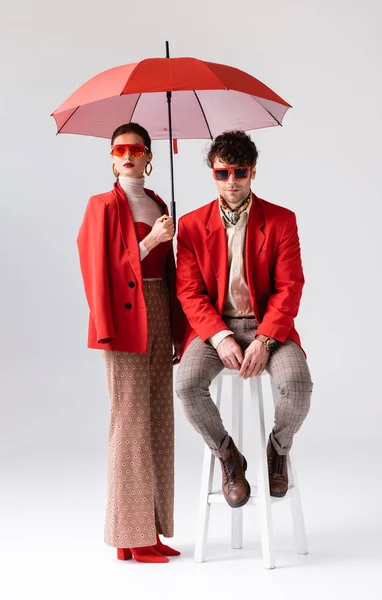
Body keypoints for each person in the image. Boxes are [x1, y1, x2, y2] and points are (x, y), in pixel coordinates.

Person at [175, 130, 313, 507]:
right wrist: (219, 336)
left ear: (253, 172)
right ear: (212, 173)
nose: (231, 181)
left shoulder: (282, 221)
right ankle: (228, 457)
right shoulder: (189, 226)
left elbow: (290, 286)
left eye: (240, 172)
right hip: (213, 329)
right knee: (186, 386)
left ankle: (277, 450)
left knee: (298, 384)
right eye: (222, 173)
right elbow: (189, 292)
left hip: (269, 325)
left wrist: (266, 339)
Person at [77, 122, 186, 563]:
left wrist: (180, 328)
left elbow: (173, 270)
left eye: (136, 149)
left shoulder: (158, 202)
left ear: (148, 156)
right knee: (130, 421)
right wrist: (152, 239)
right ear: (110, 157)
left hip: (159, 306)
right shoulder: (101, 205)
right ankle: (129, 533)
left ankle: (150, 531)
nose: (127, 156)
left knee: (159, 419)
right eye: (119, 149)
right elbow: (98, 268)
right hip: (125, 315)